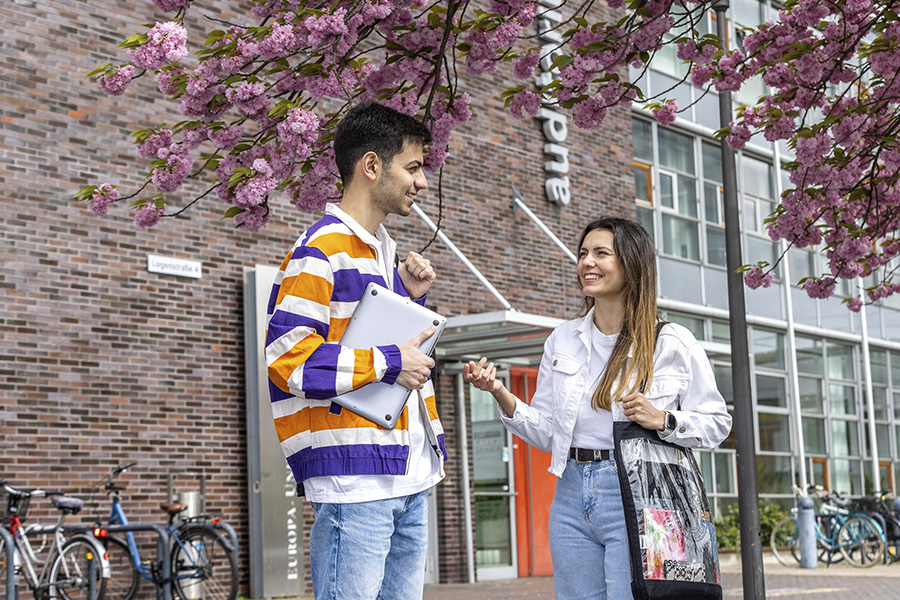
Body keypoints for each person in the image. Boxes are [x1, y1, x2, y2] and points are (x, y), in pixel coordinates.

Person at [464, 216, 732, 600]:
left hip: (639, 493)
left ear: (631, 264)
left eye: (601, 253)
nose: (587, 262)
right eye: (583, 253)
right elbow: (546, 432)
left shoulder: (671, 342)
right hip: (571, 490)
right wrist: (500, 393)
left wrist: (665, 419)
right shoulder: (563, 339)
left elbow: (718, 423)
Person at [265, 103, 447, 600]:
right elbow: (290, 360)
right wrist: (391, 360)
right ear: (372, 166)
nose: (422, 182)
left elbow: (367, 343)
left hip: (406, 476)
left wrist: (408, 299)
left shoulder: (381, 251)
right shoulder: (321, 250)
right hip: (357, 482)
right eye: (413, 167)